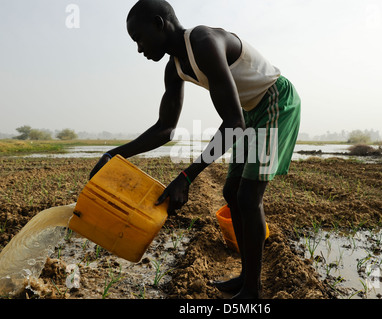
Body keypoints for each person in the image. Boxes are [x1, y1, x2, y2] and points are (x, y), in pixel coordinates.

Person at [89, 0, 301, 299]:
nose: (138, 48)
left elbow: (233, 123)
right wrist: (115, 154)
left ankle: (252, 290)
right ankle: (245, 277)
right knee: (232, 194)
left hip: (275, 101)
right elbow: (165, 128)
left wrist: (187, 177)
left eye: (139, 38)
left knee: (248, 195)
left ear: (159, 24)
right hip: (250, 113)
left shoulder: (203, 41)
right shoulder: (174, 69)